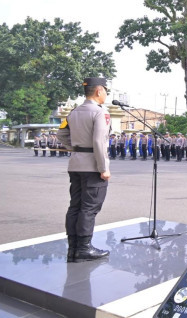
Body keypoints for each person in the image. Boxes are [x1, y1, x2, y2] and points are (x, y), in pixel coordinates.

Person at [56, 77, 111, 262]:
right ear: (98, 91)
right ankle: (84, 248)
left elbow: (61, 133)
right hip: (93, 167)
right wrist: (103, 168)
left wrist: (75, 148)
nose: (106, 94)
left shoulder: (73, 113)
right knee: (89, 207)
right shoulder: (99, 113)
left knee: (75, 206)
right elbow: (99, 142)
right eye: (105, 90)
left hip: (76, 164)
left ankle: (73, 248)